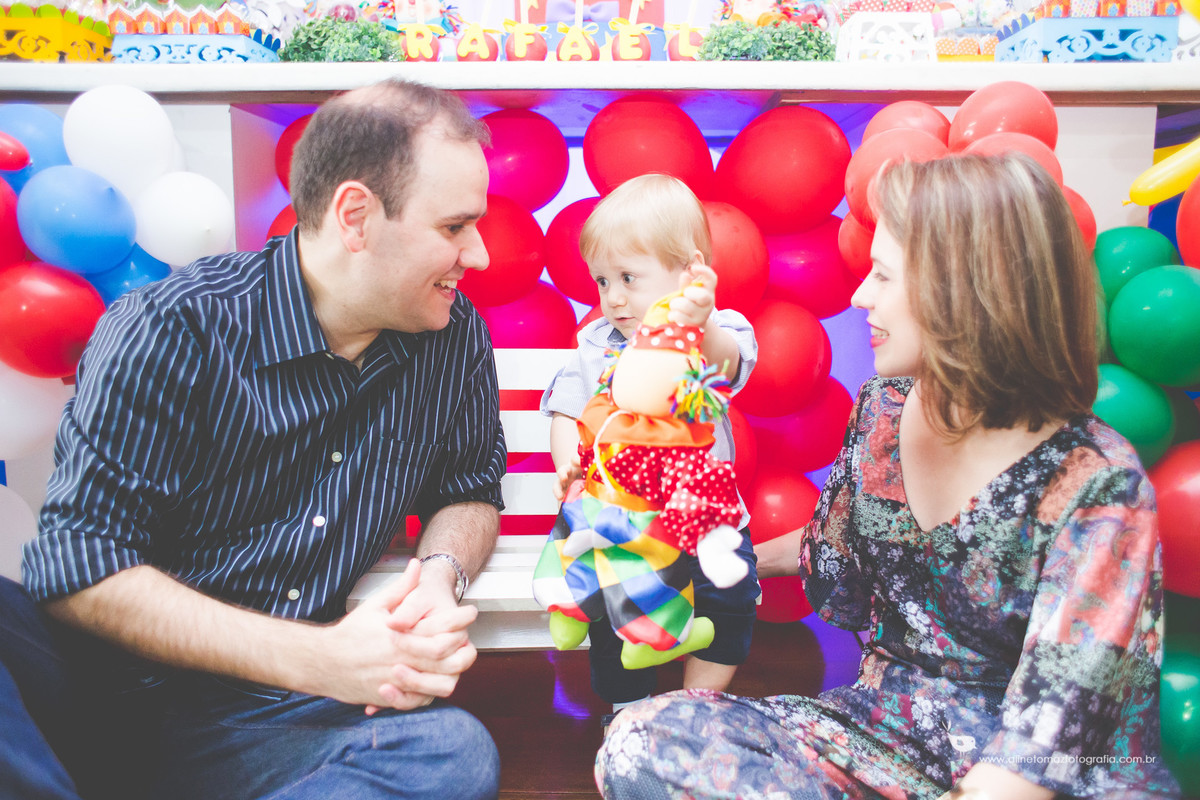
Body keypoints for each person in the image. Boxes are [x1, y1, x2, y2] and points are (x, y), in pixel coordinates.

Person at [595, 153, 1181, 799]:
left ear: (964, 287)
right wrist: (684, 568)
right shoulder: (884, 407)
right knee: (644, 740)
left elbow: (1045, 748)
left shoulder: (1097, 484)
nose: (857, 296)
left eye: (880, 274)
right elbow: (833, 555)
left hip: (1030, 777)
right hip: (885, 736)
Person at [12, 78, 506, 800]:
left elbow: (468, 488)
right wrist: (322, 659)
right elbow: (77, 566)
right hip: (100, 701)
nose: (481, 255)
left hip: (266, 724)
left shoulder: (452, 336)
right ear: (357, 217)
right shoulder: (171, 327)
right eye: (455, 227)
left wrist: (440, 573)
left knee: (453, 755)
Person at [540, 173, 760, 718]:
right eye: (601, 281)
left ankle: (695, 706)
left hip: (702, 512)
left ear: (688, 274)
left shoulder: (716, 329)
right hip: (621, 515)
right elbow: (569, 407)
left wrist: (697, 317)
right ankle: (627, 711)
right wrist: (570, 463)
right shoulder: (595, 343)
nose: (612, 298)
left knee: (729, 600)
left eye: (628, 278)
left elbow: (727, 365)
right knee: (611, 615)